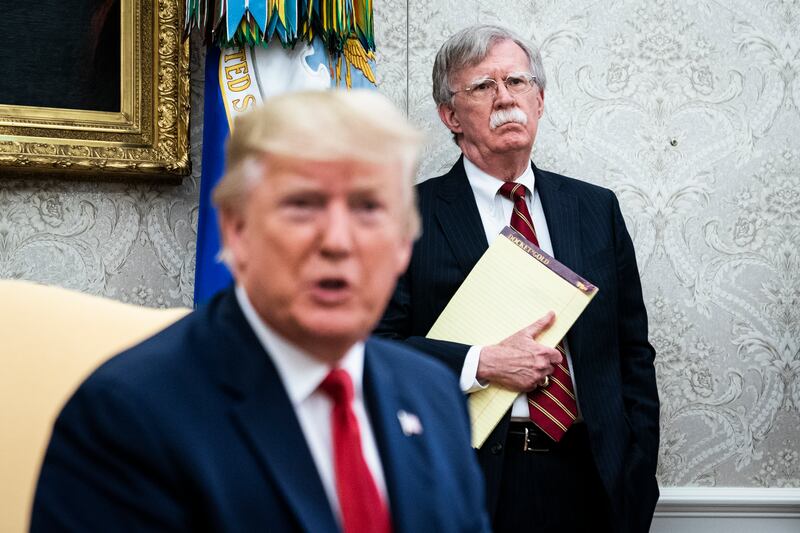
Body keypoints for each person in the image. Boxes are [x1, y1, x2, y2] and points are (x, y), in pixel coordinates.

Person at [31, 90, 489, 533]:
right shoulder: (125, 419)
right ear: (236, 231)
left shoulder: (432, 394)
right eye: (302, 206)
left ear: (404, 243)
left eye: (368, 208)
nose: (337, 241)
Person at [376, 24, 660, 533]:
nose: (505, 98)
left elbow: (632, 352)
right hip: (470, 480)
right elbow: (373, 348)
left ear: (541, 99)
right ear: (450, 115)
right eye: (483, 87)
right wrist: (480, 363)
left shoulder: (596, 208)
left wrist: (636, 473)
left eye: (518, 82)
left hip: (594, 478)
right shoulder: (404, 216)